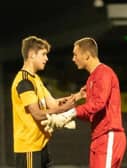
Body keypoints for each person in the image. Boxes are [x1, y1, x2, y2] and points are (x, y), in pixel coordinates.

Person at [41, 37, 127, 168]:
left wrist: (71, 113)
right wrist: (67, 119)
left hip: (109, 135)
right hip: (99, 138)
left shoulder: (103, 73)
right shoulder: (92, 78)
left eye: (75, 55)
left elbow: (98, 103)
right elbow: (92, 113)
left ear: (87, 55)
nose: (73, 59)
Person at [11, 35, 80, 168]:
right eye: (43, 54)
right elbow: (37, 113)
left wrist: (78, 96)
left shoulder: (35, 78)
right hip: (29, 149)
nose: (46, 58)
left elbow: (53, 104)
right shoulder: (24, 81)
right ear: (31, 55)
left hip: (41, 146)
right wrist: (62, 109)